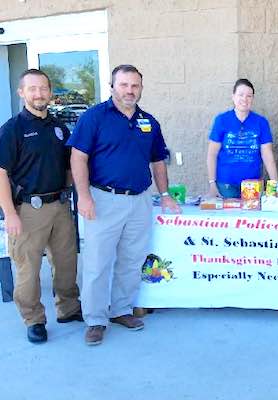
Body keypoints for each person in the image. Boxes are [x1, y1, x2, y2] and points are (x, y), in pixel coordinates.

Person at [68, 64, 181, 346]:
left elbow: (158, 161)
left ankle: (120, 310)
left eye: (135, 86)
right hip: (103, 199)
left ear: (141, 88)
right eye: (124, 85)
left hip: (140, 200)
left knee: (131, 260)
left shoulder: (149, 122)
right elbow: (78, 158)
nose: (130, 90)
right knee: (97, 263)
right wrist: (83, 196)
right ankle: (95, 319)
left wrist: (165, 194)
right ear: (112, 86)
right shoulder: (94, 117)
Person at [0, 69, 82, 343]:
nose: (39, 94)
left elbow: (70, 164)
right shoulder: (13, 129)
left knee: (66, 261)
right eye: (32, 89)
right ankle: (33, 319)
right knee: (28, 269)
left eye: (43, 89)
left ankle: (68, 308)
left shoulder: (59, 127)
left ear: (50, 92)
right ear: (21, 93)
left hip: (60, 205)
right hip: (28, 210)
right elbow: (1, 173)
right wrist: (9, 213)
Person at [206, 79, 278, 198]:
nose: (244, 99)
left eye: (249, 96)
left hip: (253, 185)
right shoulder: (222, 120)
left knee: (252, 215)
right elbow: (212, 154)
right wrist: (212, 184)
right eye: (241, 95)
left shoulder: (261, 122)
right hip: (226, 185)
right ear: (233, 97)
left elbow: (267, 155)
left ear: (253, 99)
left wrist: (275, 184)